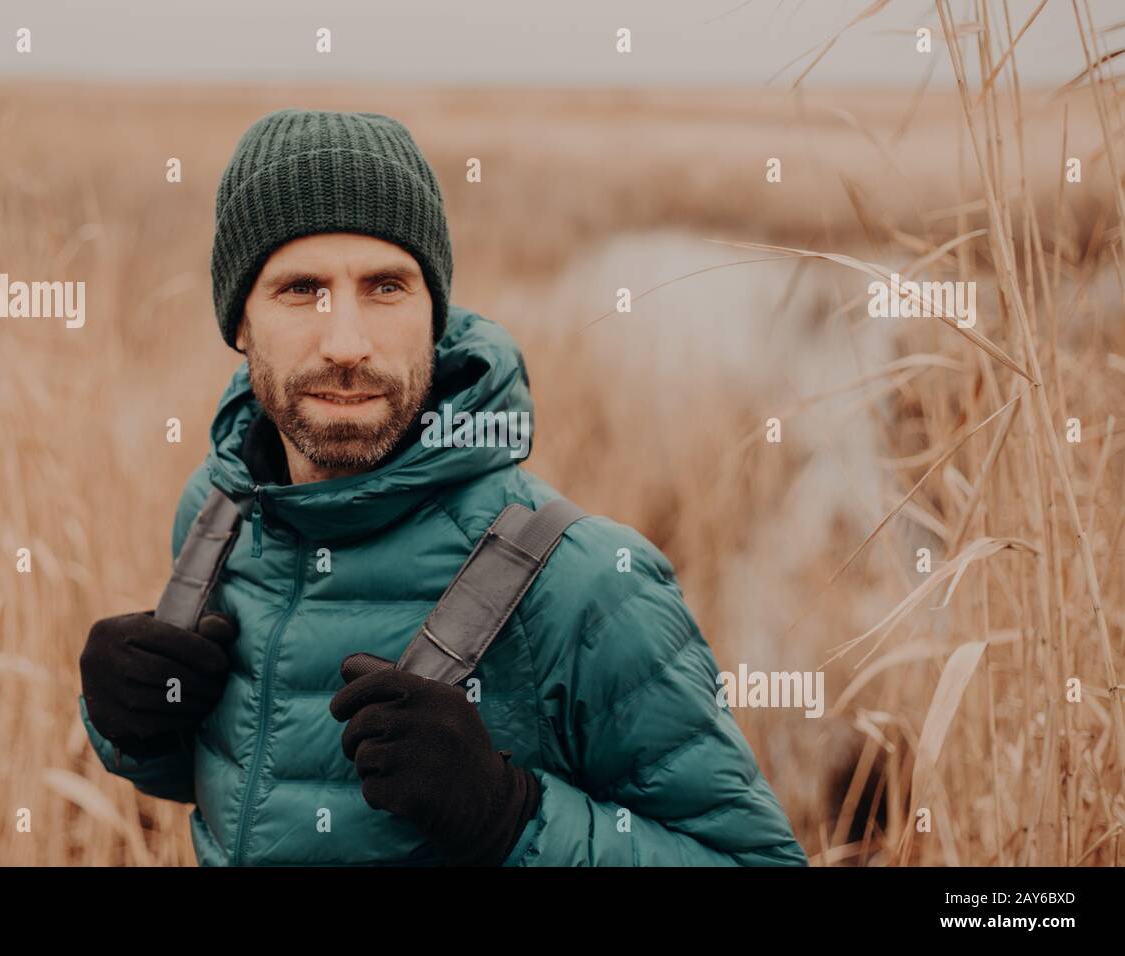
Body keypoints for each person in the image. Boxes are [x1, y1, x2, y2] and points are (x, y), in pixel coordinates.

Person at [78, 107, 808, 867]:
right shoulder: (220, 515)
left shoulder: (587, 582)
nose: (347, 343)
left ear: (435, 313)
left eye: (386, 286)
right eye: (301, 290)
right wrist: (131, 725)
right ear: (239, 323)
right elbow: (258, 789)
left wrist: (509, 816)